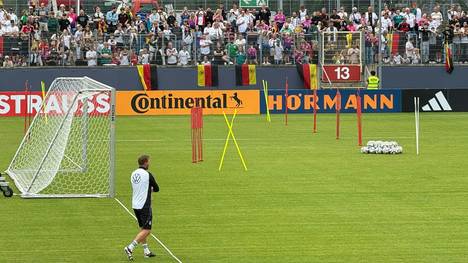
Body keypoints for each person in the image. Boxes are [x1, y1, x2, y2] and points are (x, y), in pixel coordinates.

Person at [124, 155, 159, 261]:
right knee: (147, 230)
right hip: (144, 205)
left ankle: (146, 251)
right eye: (149, 161)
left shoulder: (133, 173)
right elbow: (157, 188)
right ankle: (130, 247)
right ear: (145, 162)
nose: (149, 163)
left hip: (135, 204)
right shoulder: (148, 174)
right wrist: (150, 189)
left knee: (143, 228)